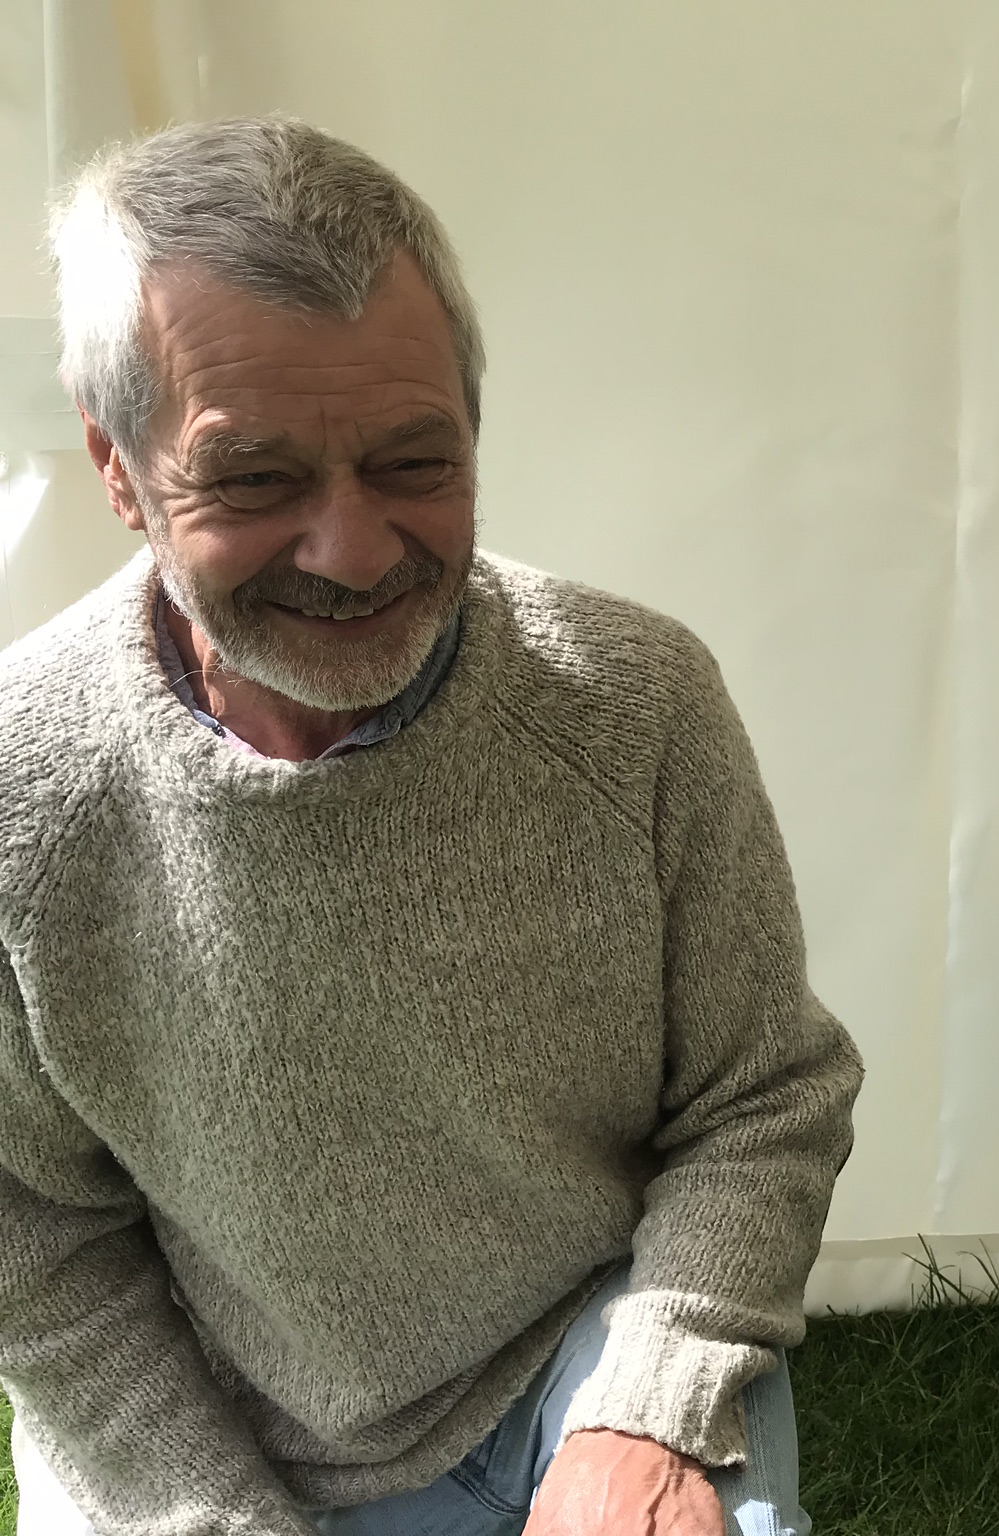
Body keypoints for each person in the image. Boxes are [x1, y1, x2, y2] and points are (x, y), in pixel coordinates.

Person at [0, 117, 863, 1535]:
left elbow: (762, 1100)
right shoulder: (23, 795)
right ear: (117, 470)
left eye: (414, 462)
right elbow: (37, 1252)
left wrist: (641, 1411)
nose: (353, 549)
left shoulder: (634, 707)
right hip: (206, 1430)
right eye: (257, 479)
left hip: (574, 1364)